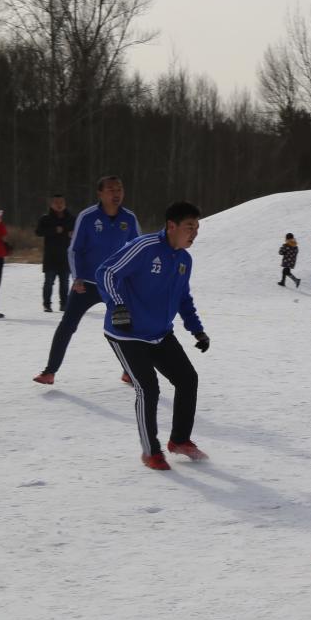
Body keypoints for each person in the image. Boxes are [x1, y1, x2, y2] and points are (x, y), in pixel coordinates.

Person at [98, 201, 211, 470]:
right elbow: (107, 272)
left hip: (160, 334)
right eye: (189, 227)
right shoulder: (145, 247)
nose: (194, 233)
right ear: (171, 226)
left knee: (187, 379)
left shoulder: (184, 260)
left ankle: (180, 441)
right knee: (148, 388)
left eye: (197, 227)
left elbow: (183, 298)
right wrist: (118, 306)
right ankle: (151, 452)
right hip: (126, 334)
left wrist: (197, 329)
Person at [33, 176, 140, 386]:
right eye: (110, 189)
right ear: (100, 193)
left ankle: (129, 371)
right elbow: (73, 250)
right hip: (87, 284)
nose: (116, 193)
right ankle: (49, 372)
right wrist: (77, 277)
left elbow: (137, 250)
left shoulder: (129, 218)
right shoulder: (88, 216)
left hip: (115, 285)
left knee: (126, 328)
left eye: (119, 189)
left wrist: (135, 279)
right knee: (67, 326)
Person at [35, 194, 74, 313]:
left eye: (61, 202)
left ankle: (64, 304)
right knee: (48, 282)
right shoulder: (45, 218)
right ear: (51, 204)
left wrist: (73, 234)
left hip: (66, 255)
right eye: (56, 202)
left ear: (65, 204)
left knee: (65, 282)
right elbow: (38, 232)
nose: (59, 205)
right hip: (50, 256)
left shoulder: (71, 218)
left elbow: (80, 232)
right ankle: (47, 304)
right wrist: (53, 230)